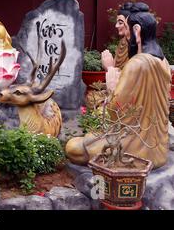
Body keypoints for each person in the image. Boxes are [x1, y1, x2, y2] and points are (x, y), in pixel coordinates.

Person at [66, 9, 171, 168]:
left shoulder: (137, 64)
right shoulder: (164, 62)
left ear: (136, 30)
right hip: (158, 150)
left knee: (73, 147)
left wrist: (111, 84)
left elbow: (116, 111)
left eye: (127, 28)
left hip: (133, 149)